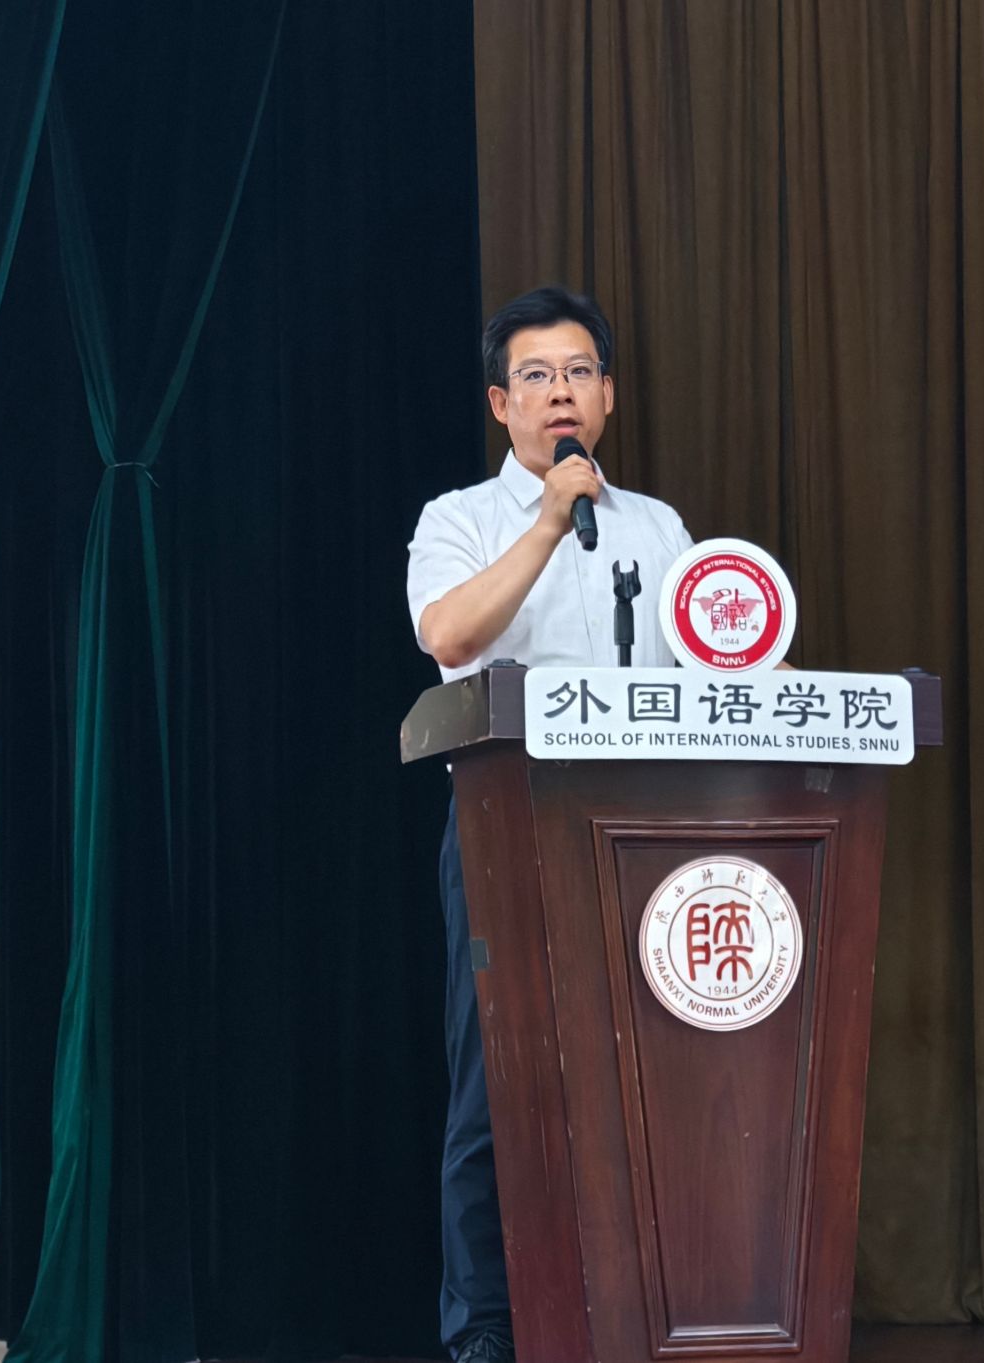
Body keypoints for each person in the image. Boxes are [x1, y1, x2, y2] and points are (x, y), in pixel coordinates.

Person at [405, 286, 695, 1363]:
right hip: (506, 831)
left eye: (578, 372)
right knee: (498, 1079)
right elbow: (448, 635)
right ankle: (487, 1326)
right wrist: (542, 522)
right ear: (501, 404)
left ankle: (639, 1309)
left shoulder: (656, 527)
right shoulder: (459, 519)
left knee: (642, 1073)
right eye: (535, 376)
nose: (560, 392)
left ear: (608, 394)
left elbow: (712, 660)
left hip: (642, 831)